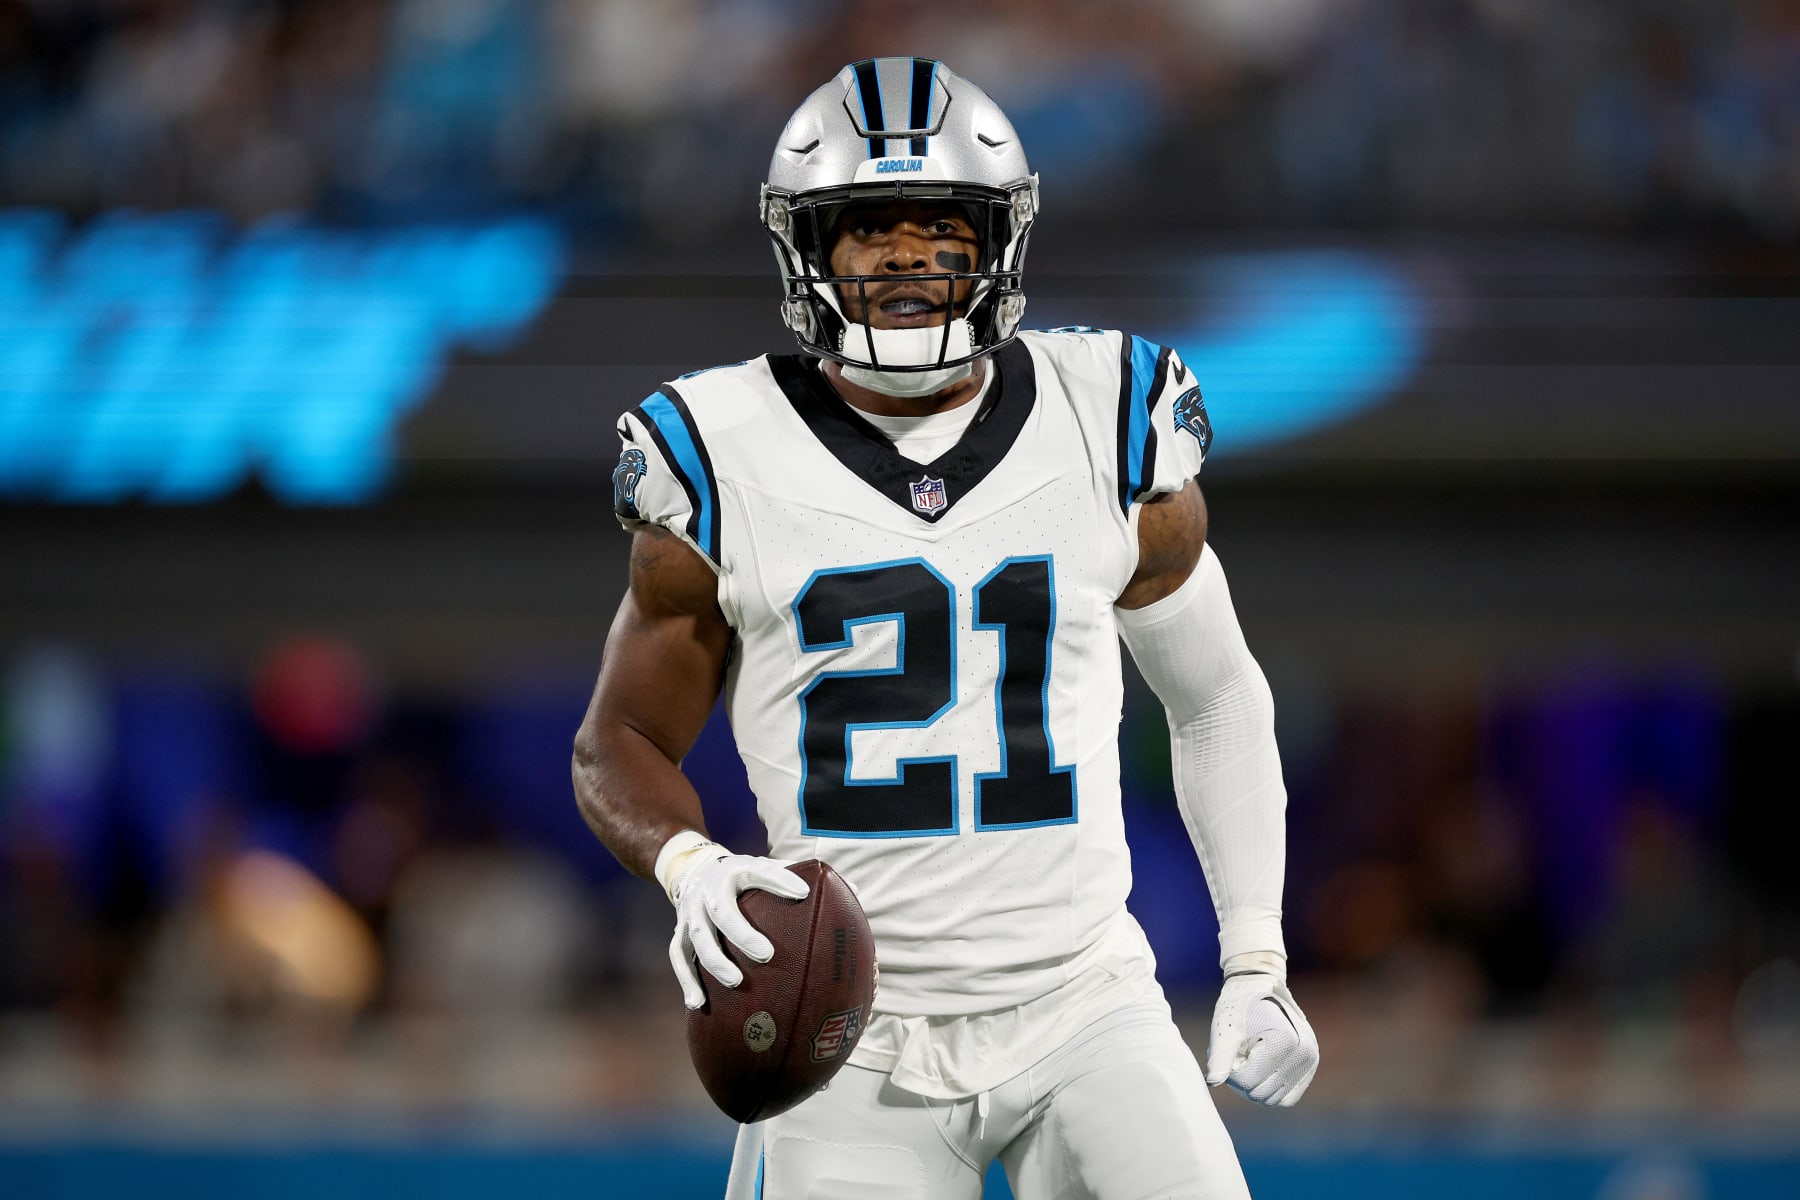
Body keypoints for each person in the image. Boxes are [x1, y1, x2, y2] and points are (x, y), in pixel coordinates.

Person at [572, 57, 1318, 1199]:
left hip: (1084, 1000)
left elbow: (1214, 695)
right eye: (868, 230)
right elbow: (615, 742)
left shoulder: (1106, 413)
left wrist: (1257, 955)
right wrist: (693, 867)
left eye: (941, 226)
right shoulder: (719, 451)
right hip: (848, 1032)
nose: (908, 258)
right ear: (807, 253)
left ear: (996, 244)